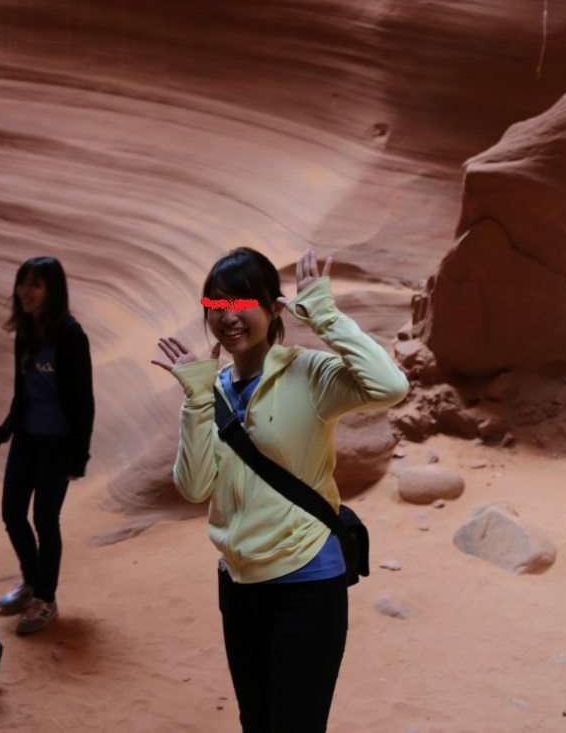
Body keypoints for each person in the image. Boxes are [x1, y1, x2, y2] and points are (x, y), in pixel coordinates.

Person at [152, 247, 408, 733]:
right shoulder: (216, 386)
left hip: (306, 581)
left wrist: (327, 317)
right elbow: (193, 487)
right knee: (257, 722)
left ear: (274, 308)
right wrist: (195, 400)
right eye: (217, 305)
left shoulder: (308, 373)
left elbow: (391, 386)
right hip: (239, 582)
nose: (227, 317)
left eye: (241, 302)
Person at [0, 256, 94, 635]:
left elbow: (83, 400)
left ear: (53, 290)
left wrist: (79, 454)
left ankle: (46, 599)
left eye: (34, 284)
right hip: (27, 440)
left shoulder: (70, 335)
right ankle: (32, 581)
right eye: (22, 283)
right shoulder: (26, 332)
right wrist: (9, 423)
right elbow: (23, 389)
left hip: (57, 445)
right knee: (12, 514)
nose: (24, 292)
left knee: (45, 521)